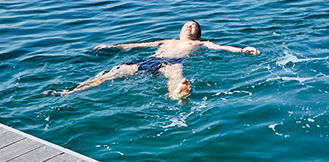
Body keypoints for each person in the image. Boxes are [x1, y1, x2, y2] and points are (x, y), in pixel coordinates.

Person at [45, 20, 259, 99]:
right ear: (180, 29)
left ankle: (177, 94)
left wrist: (242, 50)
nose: (189, 26)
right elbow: (135, 45)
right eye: (186, 24)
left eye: (193, 26)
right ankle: (69, 92)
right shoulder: (164, 41)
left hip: (172, 62)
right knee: (109, 74)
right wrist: (112, 46)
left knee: (177, 77)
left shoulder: (200, 44)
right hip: (146, 60)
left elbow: (222, 47)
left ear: (198, 33)